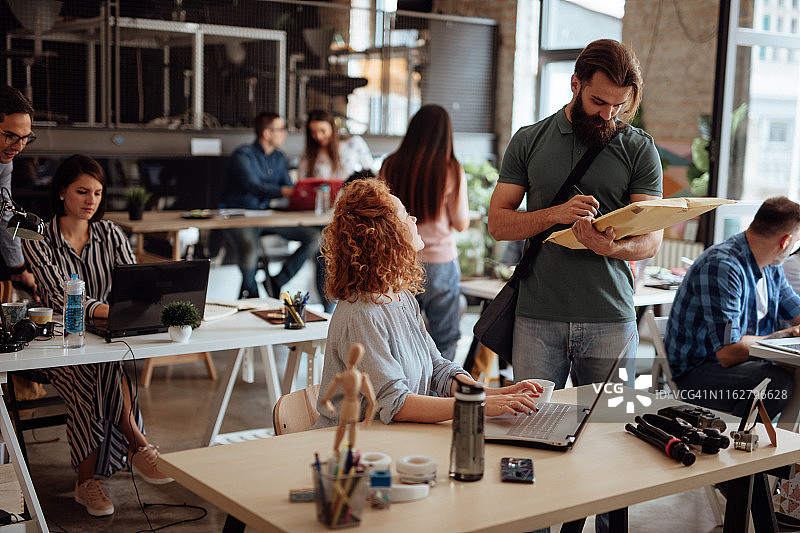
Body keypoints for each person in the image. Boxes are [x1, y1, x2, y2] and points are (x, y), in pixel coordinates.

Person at [488, 39, 663, 388]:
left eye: (619, 105)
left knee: (609, 433)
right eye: (598, 101)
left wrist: (609, 248)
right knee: (530, 427)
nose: (608, 115)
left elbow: (651, 241)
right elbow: (498, 224)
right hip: (536, 317)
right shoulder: (528, 140)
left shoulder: (639, 148)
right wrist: (556, 214)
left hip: (611, 318)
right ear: (575, 84)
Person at [313, 179, 540, 428]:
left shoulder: (401, 297)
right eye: (405, 215)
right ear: (385, 234)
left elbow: (437, 368)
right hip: (351, 451)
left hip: (391, 440)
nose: (414, 219)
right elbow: (396, 404)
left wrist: (495, 394)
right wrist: (476, 405)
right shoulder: (362, 314)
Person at [23, 155, 173, 517]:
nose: (91, 200)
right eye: (82, 191)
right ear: (62, 192)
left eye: (98, 193)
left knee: (102, 364)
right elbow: (60, 293)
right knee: (98, 370)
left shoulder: (110, 233)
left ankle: (88, 481)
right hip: (56, 345)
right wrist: (107, 310)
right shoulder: (38, 237)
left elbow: (132, 285)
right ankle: (136, 447)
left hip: (107, 338)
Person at [664, 196, 800, 419]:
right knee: (777, 385)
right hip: (696, 373)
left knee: (781, 378)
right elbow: (728, 353)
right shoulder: (723, 266)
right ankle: (733, 443)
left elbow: (796, 312)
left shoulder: (772, 265)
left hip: (742, 364)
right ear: (785, 241)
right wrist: (786, 334)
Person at [380, 104, 469, 361]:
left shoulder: (390, 165)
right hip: (441, 262)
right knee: (445, 337)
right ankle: (441, 398)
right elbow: (461, 222)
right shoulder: (451, 169)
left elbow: (383, 215)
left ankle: (412, 396)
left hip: (400, 263)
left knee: (403, 336)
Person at [218, 111, 321, 299]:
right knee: (250, 251)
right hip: (237, 215)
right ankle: (254, 297)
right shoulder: (242, 155)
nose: (285, 133)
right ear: (266, 133)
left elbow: (289, 187)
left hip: (265, 215)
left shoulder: (279, 158)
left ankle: (278, 280)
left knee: (315, 238)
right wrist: (286, 191)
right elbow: (253, 186)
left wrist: (304, 193)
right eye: (281, 129)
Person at [0, 85, 39, 297]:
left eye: (25, 137)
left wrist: (19, 268)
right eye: (11, 136)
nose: (19, 146)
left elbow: (4, 215)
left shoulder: (4, 163)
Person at [297, 109, 374, 179]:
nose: (319, 136)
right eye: (313, 132)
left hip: (350, 193)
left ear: (332, 128)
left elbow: (371, 173)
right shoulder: (307, 154)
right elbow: (302, 182)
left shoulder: (354, 143)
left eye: (323, 131)